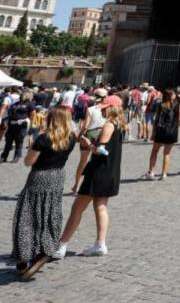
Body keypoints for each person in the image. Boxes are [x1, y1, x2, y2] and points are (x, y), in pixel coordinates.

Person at [12, 106, 77, 279]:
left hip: (40, 176)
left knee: (28, 214)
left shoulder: (44, 138)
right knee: (49, 212)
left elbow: (28, 161)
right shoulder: (71, 138)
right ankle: (45, 249)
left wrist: (34, 143)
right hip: (58, 176)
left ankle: (24, 256)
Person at [57, 101, 124, 258]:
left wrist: (89, 144)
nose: (102, 111)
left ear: (110, 108)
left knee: (77, 208)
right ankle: (100, 244)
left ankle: (61, 245)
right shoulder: (120, 125)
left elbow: (102, 150)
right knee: (100, 206)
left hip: (98, 171)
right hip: (111, 171)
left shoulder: (109, 125)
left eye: (104, 108)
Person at [142, 88, 180, 180]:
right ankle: (164, 174)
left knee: (155, 151)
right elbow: (179, 120)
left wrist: (153, 133)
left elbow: (156, 120)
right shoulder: (177, 105)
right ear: (172, 96)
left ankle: (151, 172)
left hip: (160, 131)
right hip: (171, 132)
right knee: (167, 153)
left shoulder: (161, 105)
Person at [1, 90, 35, 163]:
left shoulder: (30, 104)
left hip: (22, 126)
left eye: (23, 95)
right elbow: (10, 112)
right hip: (12, 125)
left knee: (19, 142)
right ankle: (4, 156)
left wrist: (28, 121)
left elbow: (32, 115)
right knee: (8, 141)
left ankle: (17, 156)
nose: (21, 96)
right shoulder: (15, 104)